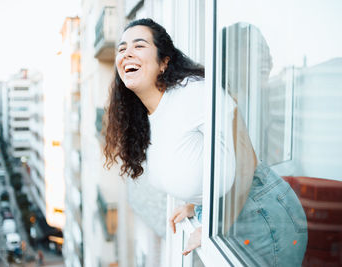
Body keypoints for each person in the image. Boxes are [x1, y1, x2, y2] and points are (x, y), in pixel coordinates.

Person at [103, 18, 307, 265]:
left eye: (139, 45)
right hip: (229, 210)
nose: (127, 53)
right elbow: (205, 157)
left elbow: (244, 161)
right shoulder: (146, 114)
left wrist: (214, 226)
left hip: (259, 215)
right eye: (122, 49)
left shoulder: (194, 92)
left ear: (164, 62)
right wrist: (196, 203)